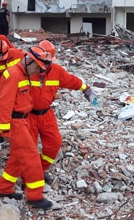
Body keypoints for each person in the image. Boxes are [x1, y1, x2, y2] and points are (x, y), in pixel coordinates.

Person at [0, 46, 54, 210]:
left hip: (23, 121)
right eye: (37, 67)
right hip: (15, 123)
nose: (37, 71)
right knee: (31, 157)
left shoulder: (23, 73)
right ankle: (35, 196)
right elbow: (4, 104)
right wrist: (5, 128)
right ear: (29, 61)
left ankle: (3, 189)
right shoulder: (13, 74)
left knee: (17, 158)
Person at [28, 40, 98, 181]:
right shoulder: (26, 70)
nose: (45, 66)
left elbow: (71, 80)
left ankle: (40, 170)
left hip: (46, 115)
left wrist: (86, 89)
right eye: (43, 63)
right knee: (28, 149)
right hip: (27, 115)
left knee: (54, 143)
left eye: (48, 63)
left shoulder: (56, 71)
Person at [0, 40, 24, 137]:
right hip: (4, 90)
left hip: (20, 88)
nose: (1, 59)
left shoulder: (18, 54)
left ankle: (20, 133)